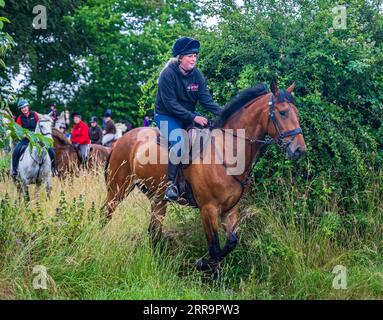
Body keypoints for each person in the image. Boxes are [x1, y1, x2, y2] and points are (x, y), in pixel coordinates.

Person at [154, 37, 223, 201]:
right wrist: (194, 117)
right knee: (180, 140)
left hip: (186, 116)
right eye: (190, 56)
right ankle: (171, 185)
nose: (193, 59)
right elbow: (171, 105)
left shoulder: (196, 75)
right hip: (166, 116)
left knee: (205, 139)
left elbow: (206, 101)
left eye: (195, 56)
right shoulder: (167, 74)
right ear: (180, 58)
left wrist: (226, 113)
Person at [11, 99, 56, 178]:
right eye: (22, 108)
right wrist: (25, 135)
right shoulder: (19, 118)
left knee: (51, 150)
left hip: (37, 138)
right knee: (16, 150)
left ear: (28, 107)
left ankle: (53, 169)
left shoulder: (34, 114)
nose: (24, 109)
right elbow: (19, 131)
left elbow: (42, 121)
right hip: (26, 139)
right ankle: (14, 169)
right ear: (21, 110)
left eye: (25, 107)